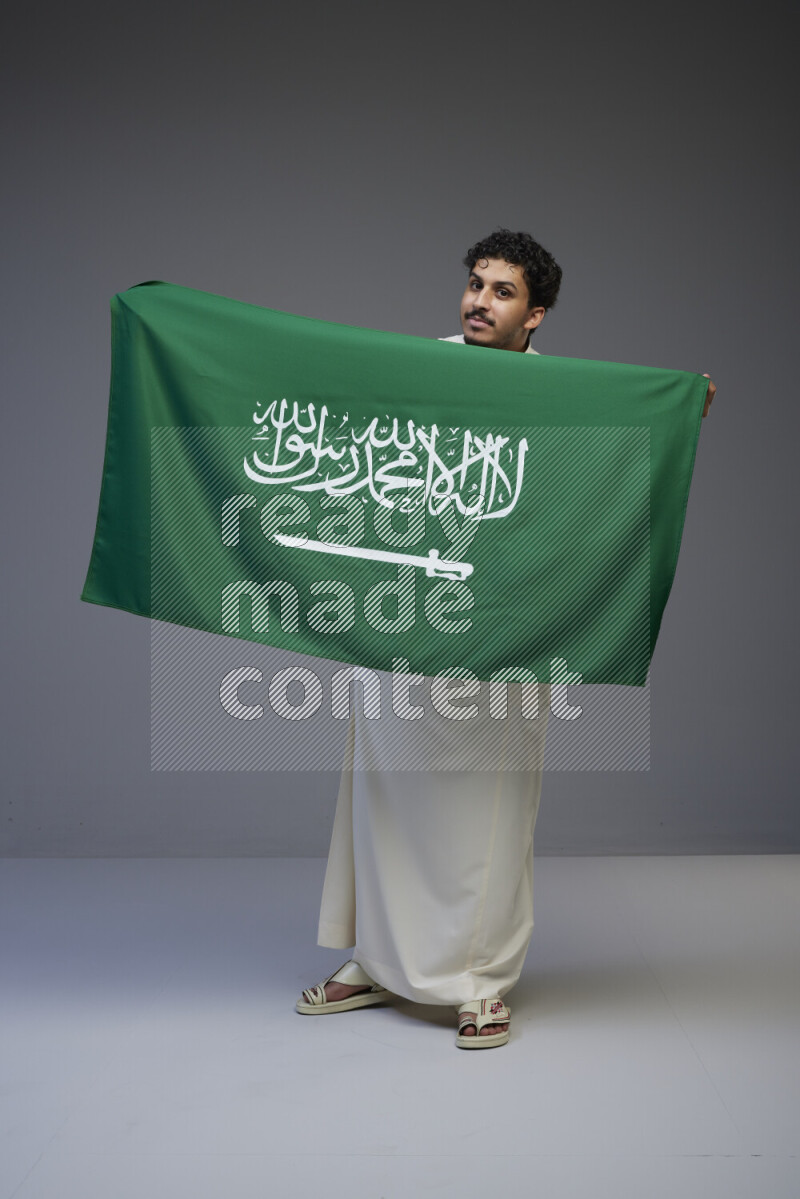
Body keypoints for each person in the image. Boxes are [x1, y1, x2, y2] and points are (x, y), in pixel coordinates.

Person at [296, 230, 716, 1048]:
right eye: (475, 284)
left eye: (501, 291)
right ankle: (377, 961)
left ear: (536, 315)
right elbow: (332, 407)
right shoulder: (421, 370)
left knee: (486, 813)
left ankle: (478, 981)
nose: (479, 301)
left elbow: (618, 444)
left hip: (504, 636)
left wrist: (676, 405)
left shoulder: (554, 395)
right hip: (400, 623)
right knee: (385, 799)